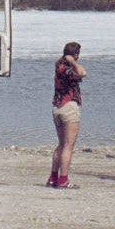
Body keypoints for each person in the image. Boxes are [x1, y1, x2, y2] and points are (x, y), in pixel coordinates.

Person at [48, 42, 86, 189]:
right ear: (75, 54)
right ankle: (63, 179)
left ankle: (53, 177)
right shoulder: (68, 68)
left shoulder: (59, 66)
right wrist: (73, 61)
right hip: (69, 106)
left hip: (57, 107)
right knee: (68, 146)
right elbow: (83, 72)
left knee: (61, 144)